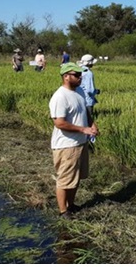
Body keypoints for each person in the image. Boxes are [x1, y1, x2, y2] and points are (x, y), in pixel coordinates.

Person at [49, 63, 99, 219]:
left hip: (80, 143)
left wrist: (92, 124)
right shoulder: (60, 96)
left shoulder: (78, 91)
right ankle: (63, 211)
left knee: (76, 177)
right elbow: (59, 123)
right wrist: (83, 129)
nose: (80, 77)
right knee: (65, 179)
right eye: (76, 75)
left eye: (80, 75)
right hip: (66, 145)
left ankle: (71, 205)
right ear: (66, 77)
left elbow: (85, 112)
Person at [78, 54, 100, 119]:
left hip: (79, 98)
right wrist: (96, 91)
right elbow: (90, 90)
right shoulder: (88, 73)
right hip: (88, 100)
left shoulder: (79, 70)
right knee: (89, 119)